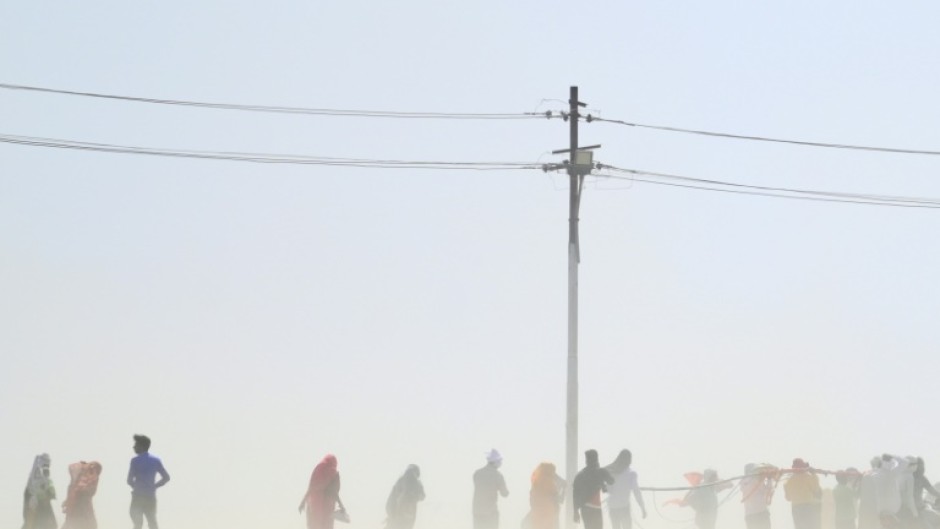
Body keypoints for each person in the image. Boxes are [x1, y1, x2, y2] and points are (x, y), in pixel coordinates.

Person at [127, 434, 170, 529]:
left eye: (136, 445)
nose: (134, 447)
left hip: (138, 497)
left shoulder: (135, 461)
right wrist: (155, 486)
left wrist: (137, 487)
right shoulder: (155, 460)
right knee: (152, 522)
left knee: (137, 523)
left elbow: (129, 480)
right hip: (150, 496)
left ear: (141, 446)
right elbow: (166, 477)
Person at [572, 449, 614, 529]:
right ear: (596, 459)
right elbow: (611, 481)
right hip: (596, 507)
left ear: (586, 460)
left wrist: (575, 511)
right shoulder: (601, 471)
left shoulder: (580, 475)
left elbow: (575, 494)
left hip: (584, 508)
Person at [299, 454, 344, 529]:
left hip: (313, 506)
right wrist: (341, 506)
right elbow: (334, 492)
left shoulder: (318, 471)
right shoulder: (333, 473)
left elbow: (311, 488)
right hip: (327, 508)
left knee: (314, 525)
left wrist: (302, 503)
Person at [604, 450, 646, 529]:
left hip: (612, 507)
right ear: (629, 460)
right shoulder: (631, 473)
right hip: (624, 507)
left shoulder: (611, 472)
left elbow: (608, 489)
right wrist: (642, 507)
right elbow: (636, 492)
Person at [473, 449, 509, 529]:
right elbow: (505, 493)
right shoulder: (498, 475)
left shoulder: (477, 473)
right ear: (496, 462)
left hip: (477, 512)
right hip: (490, 513)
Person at [62, 461, 103, 529]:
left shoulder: (85, 481)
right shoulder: (75, 483)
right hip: (77, 516)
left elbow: (90, 491)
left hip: (82, 515)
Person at [784, 458, 822, 529]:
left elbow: (788, 498)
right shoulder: (807, 477)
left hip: (795, 508)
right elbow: (816, 489)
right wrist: (814, 474)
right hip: (808, 506)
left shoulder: (788, 481)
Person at [23, 453, 57, 529]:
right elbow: (31, 493)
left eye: (47, 465)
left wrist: (50, 491)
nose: (46, 467)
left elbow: (51, 491)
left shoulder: (47, 479)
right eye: (45, 465)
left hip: (45, 508)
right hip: (35, 506)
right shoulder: (33, 480)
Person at [386, 464, 425, 529]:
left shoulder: (400, 480)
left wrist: (391, 513)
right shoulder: (415, 482)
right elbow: (422, 496)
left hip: (397, 514)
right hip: (406, 515)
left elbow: (391, 500)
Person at [740, 463, 777, 529]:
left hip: (750, 515)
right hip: (761, 513)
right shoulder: (755, 480)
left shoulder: (743, 482)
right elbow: (768, 491)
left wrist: (768, 478)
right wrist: (769, 479)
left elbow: (767, 491)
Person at [528, 462, 565, 529]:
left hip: (537, 513)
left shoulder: (536, 483)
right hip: (549, 512)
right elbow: (559, 499)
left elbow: (531, 500)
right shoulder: (550, 483)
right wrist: (564, 490)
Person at [857, 457, 881, 529]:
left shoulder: (865, 475)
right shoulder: (881, 475)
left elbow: (860, 492)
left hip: (865, 506)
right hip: (875, 505)